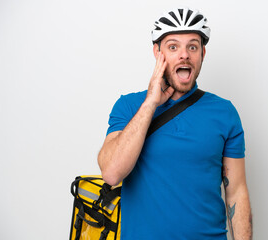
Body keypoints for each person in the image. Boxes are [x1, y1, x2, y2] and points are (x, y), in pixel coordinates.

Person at [98, 7, 252, 240]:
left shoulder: (224, 112)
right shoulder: (129, 106)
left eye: (192, 46)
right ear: (157, 52)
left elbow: (236, 192)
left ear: (202, 53)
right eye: (173, 47)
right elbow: (111, 173)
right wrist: (151, 102)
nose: (184, 55)